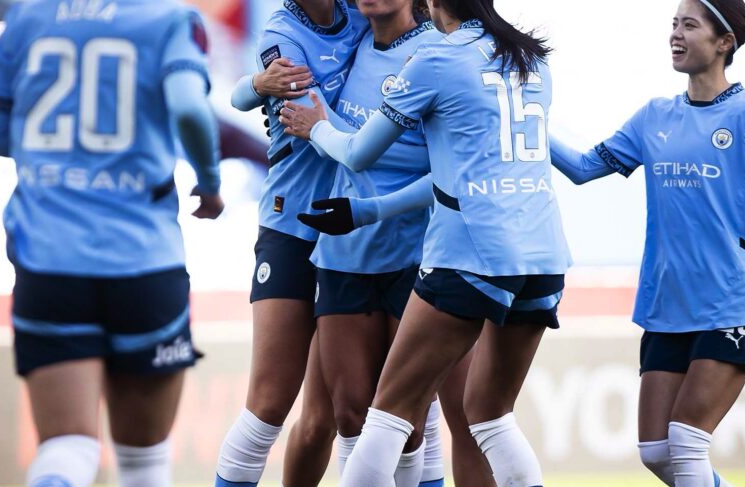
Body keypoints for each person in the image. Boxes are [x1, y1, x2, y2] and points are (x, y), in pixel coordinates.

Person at [547, 0, 745, 485]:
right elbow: (583, 169)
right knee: (655, 451)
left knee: (686, 444)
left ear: (725, 42)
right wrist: (526, 124)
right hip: (668, 304)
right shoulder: (654, 116)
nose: (676, 34)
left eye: (689, 24)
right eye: (673, 24)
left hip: (731, 302)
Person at [279, 0, 570, 484]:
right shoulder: (529, 57)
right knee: (491, 417)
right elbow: (570, 164)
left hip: (471, 255)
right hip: (544, 256)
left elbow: (356, 153)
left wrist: (317, 127)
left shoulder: (436, 59)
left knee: (388, 414)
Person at [235, 1, 494, 484]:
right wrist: (253, 87)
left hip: (414, 248)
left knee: (443, 416)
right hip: (331, 243)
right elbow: (286, 103)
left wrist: (319, 131)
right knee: (338, 413)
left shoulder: (435, 52)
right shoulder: (341, 35)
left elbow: (367, 149)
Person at [0, 0, 222, 485]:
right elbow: (191, 108)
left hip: (48, 260)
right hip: (144, 263)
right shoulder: (169, 20)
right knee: (144, 463)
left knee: (67, 447)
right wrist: (209, 182)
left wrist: (65, 154)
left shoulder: (26, 18)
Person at [213, 1, 370, 486]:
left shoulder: (367, 12)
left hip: (355, 229)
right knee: (268, 407)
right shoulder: (282, 33)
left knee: (339, 417)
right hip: (293, 226)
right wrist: (255, 89)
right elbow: (316, 122)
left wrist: (250, 91)